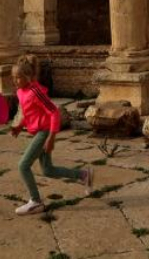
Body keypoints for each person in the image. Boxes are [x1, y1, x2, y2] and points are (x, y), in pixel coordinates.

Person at [9, 54, 93, 215]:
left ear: (28, 76)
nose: (15, 81)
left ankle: (36, 202)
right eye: (13, 77)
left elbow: (54, 112)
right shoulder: (20, 92)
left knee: (23, 165)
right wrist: (20, 126)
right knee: (48, 170)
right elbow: (29, 113)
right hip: (38, 132)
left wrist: (51, 138)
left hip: (45, 132)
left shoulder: (36, 91)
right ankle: (84, 175)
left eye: (18, 77)